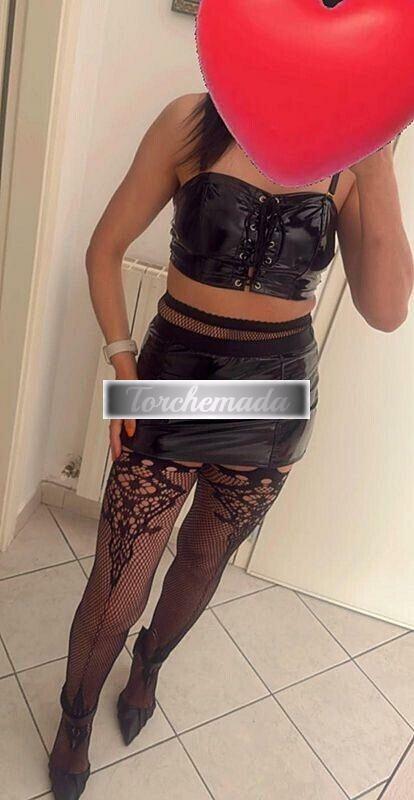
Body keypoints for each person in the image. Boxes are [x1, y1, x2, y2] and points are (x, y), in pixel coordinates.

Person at [48, 92, 413, 799]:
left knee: (203, 559)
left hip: (277, 392)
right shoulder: (191, 120)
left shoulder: (351, 157)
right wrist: (122, 362)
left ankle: (150, 665)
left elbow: (389, 310)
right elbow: (104, 249)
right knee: (116, 589)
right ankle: (75, 716)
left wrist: (377, 163)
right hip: (171, 370)